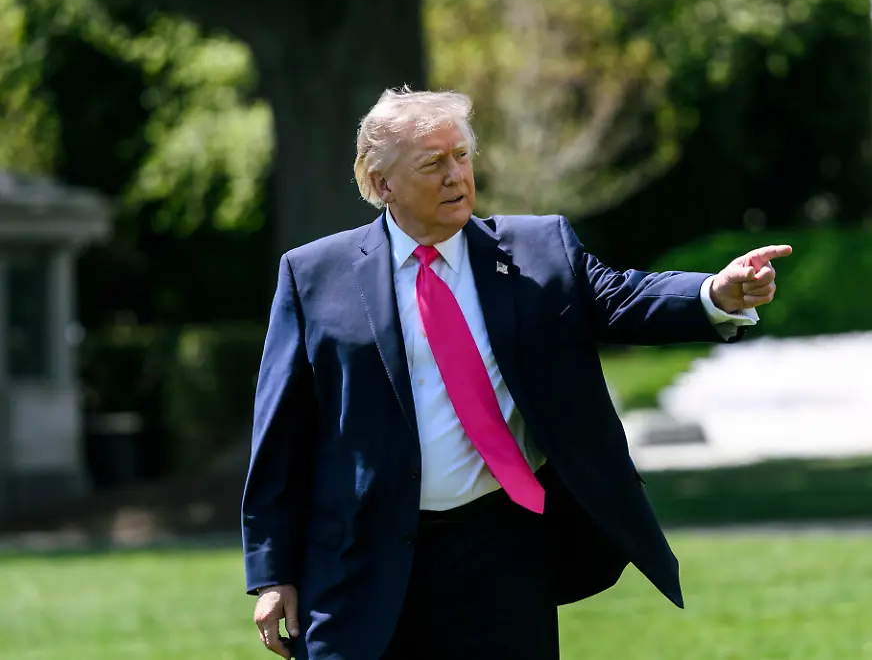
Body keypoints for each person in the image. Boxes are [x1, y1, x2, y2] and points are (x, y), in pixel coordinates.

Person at [243, 86, 790, 660]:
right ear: (382, 184)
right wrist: (272, 571)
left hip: (500, 549)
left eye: (461, 156)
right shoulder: (313, 275)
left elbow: (624, 298)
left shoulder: (538, 248)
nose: (456, 176)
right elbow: (281, 435)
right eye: (432, 163)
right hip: (361, 557)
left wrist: (714, 292)